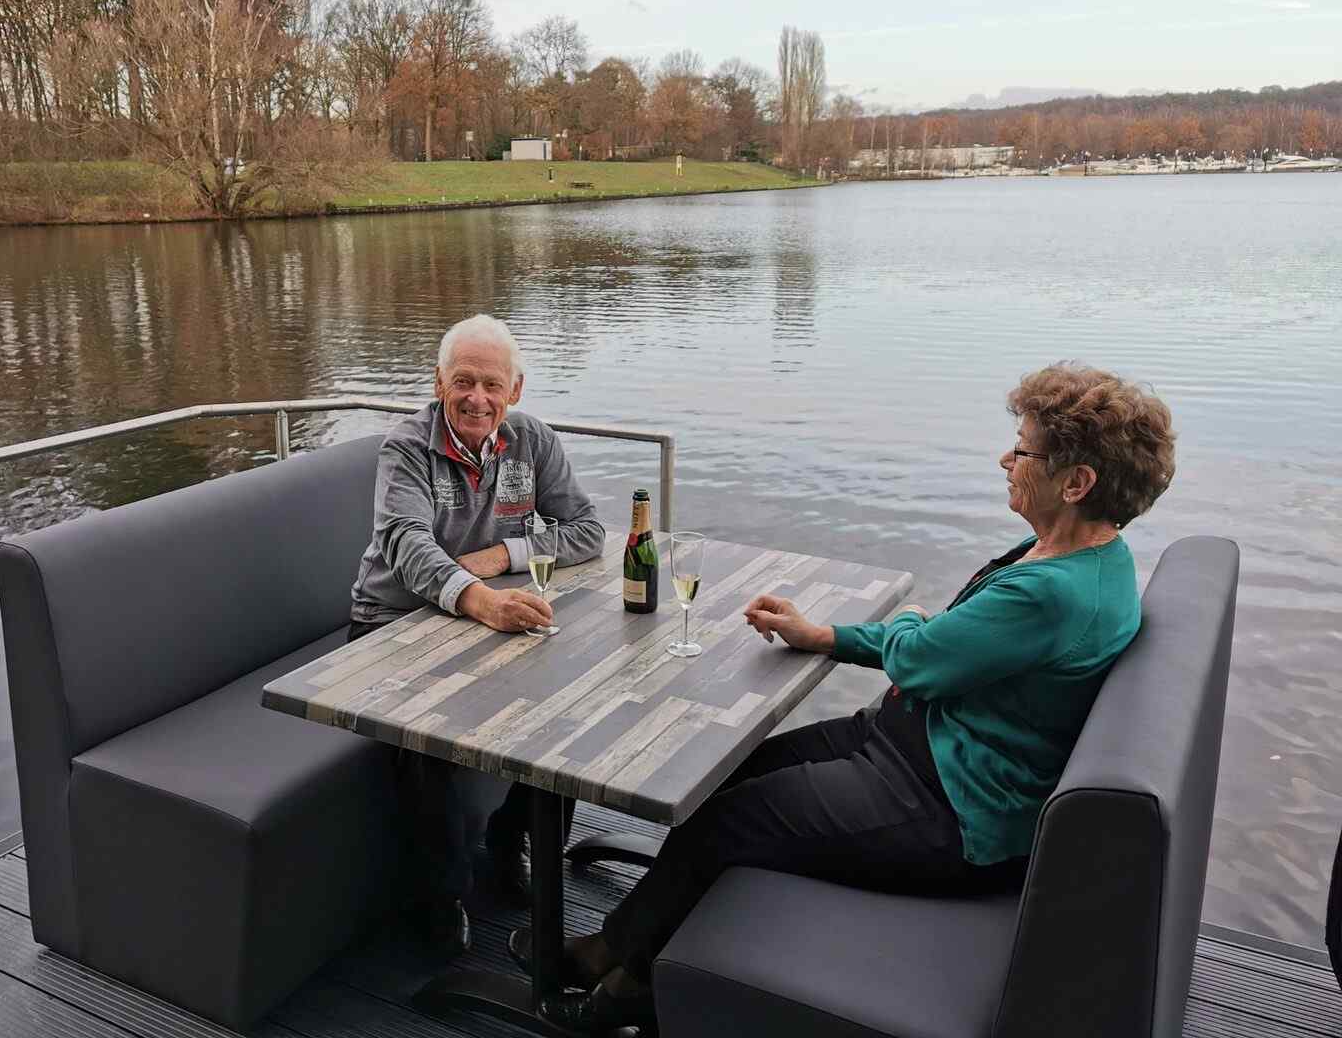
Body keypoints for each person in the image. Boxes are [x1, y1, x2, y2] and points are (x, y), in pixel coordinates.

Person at [511, 362, 1176, 1031]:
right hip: (909, 748)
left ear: (1077, 482)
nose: (1005, 458)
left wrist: (914, 622)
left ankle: (619, 978)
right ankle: (648, 944)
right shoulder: (1079, 555)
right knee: (714, 781)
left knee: (725, 822)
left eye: (1023, 449)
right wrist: (826, 633)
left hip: (949, 810)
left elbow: (920, 656)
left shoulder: (1053, 592)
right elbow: (946, 646)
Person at [350, 313, 605, 959]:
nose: (477, 398)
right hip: (395, 622)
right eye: (463, 381)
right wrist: (479, 600)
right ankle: (439, 895)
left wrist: (501, 556)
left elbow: (586, 530)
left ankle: (513, 845)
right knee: (424, 742)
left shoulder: (532, 440)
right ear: (439, 382)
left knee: (565, 703)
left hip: (486, 611)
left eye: (492, 384)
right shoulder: (405, 448)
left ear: (514, 391)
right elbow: (406, 543)